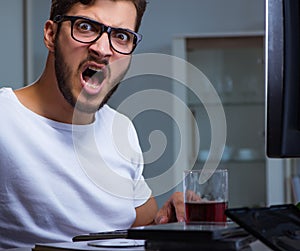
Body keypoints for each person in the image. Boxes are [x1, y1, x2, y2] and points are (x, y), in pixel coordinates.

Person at [0, 0, 184, 248]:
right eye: (86, 26)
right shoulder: (5, 121)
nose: (102, 49)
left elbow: (142, 230)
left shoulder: (121, 128)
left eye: (121, 36)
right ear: (51, 35)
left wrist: (174, 220)